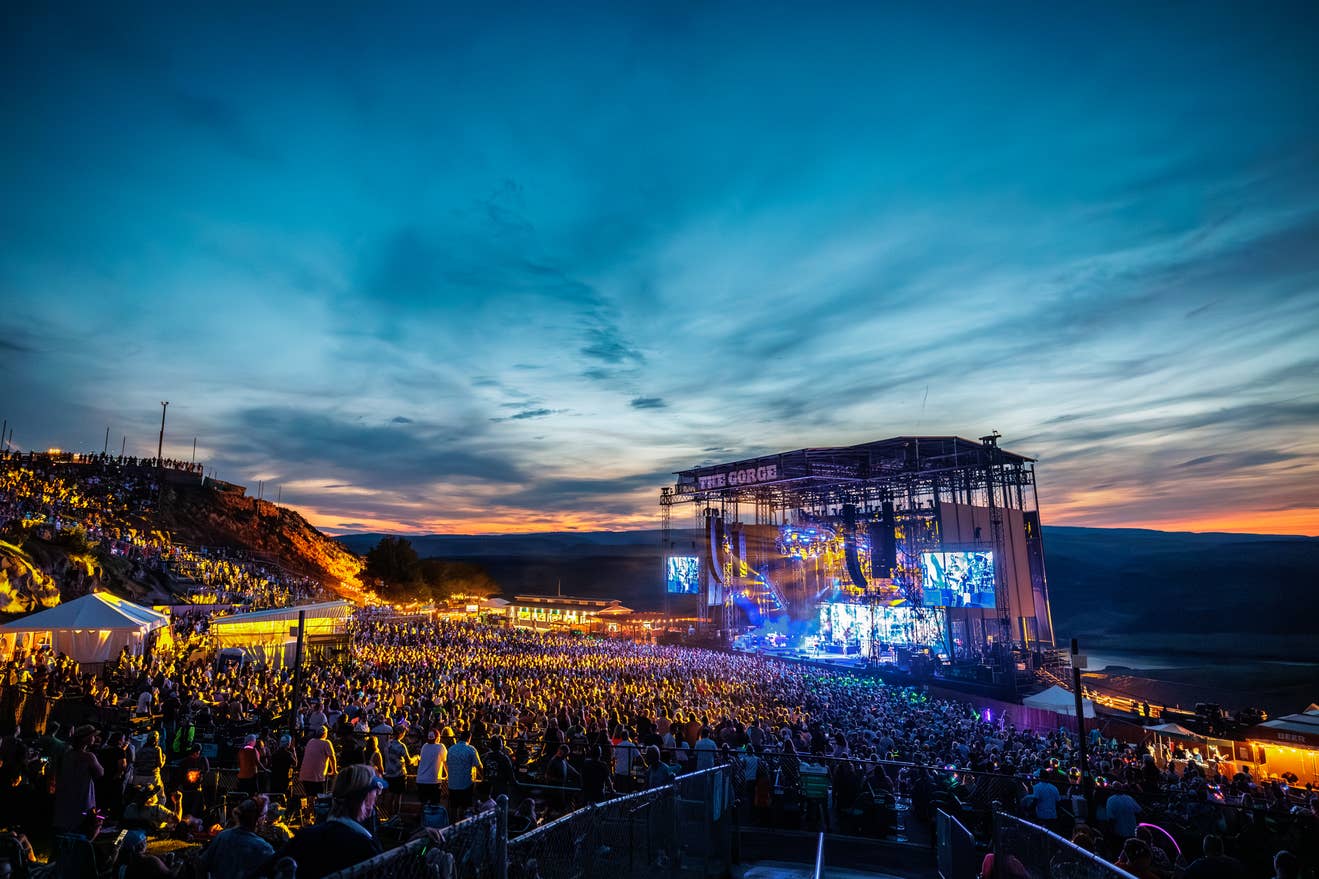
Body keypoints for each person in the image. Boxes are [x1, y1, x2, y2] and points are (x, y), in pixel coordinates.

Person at [276, 765, 385, 879]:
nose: (376, 798)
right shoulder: (366, 848)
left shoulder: (304, 836)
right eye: (375, 793)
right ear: (365, 798)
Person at [197, 795, 275, 879]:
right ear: (259, 819)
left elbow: (201, 865)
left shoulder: (222, 837)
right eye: (264, 815)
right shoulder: (263, 848)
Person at [52, 724, 103, 832]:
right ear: (87, 739)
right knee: (83, 820)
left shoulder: (66, 754)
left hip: (66, 792)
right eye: (93, 736)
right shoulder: (88, 756)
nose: (95, 738)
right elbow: (100, 772)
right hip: (83, 793)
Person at [445, 730, 482, 821]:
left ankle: (451, 827)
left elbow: (447, 763)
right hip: (465, 784)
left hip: (452, 784)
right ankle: (462, 827)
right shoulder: (470, 749)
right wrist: (483, 778)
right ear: (469, 738)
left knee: (453, 808)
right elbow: (479, 766)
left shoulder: (451, 749)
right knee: (465, 809)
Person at [416, 729, 447, 806]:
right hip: (433, 780)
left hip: (421, 779)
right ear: (437, 738)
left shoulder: (424, 746)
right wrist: (448, 775)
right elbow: (445, 761)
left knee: (423, 803)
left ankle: (423, 817)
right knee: (434, 804)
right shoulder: (440, 747)